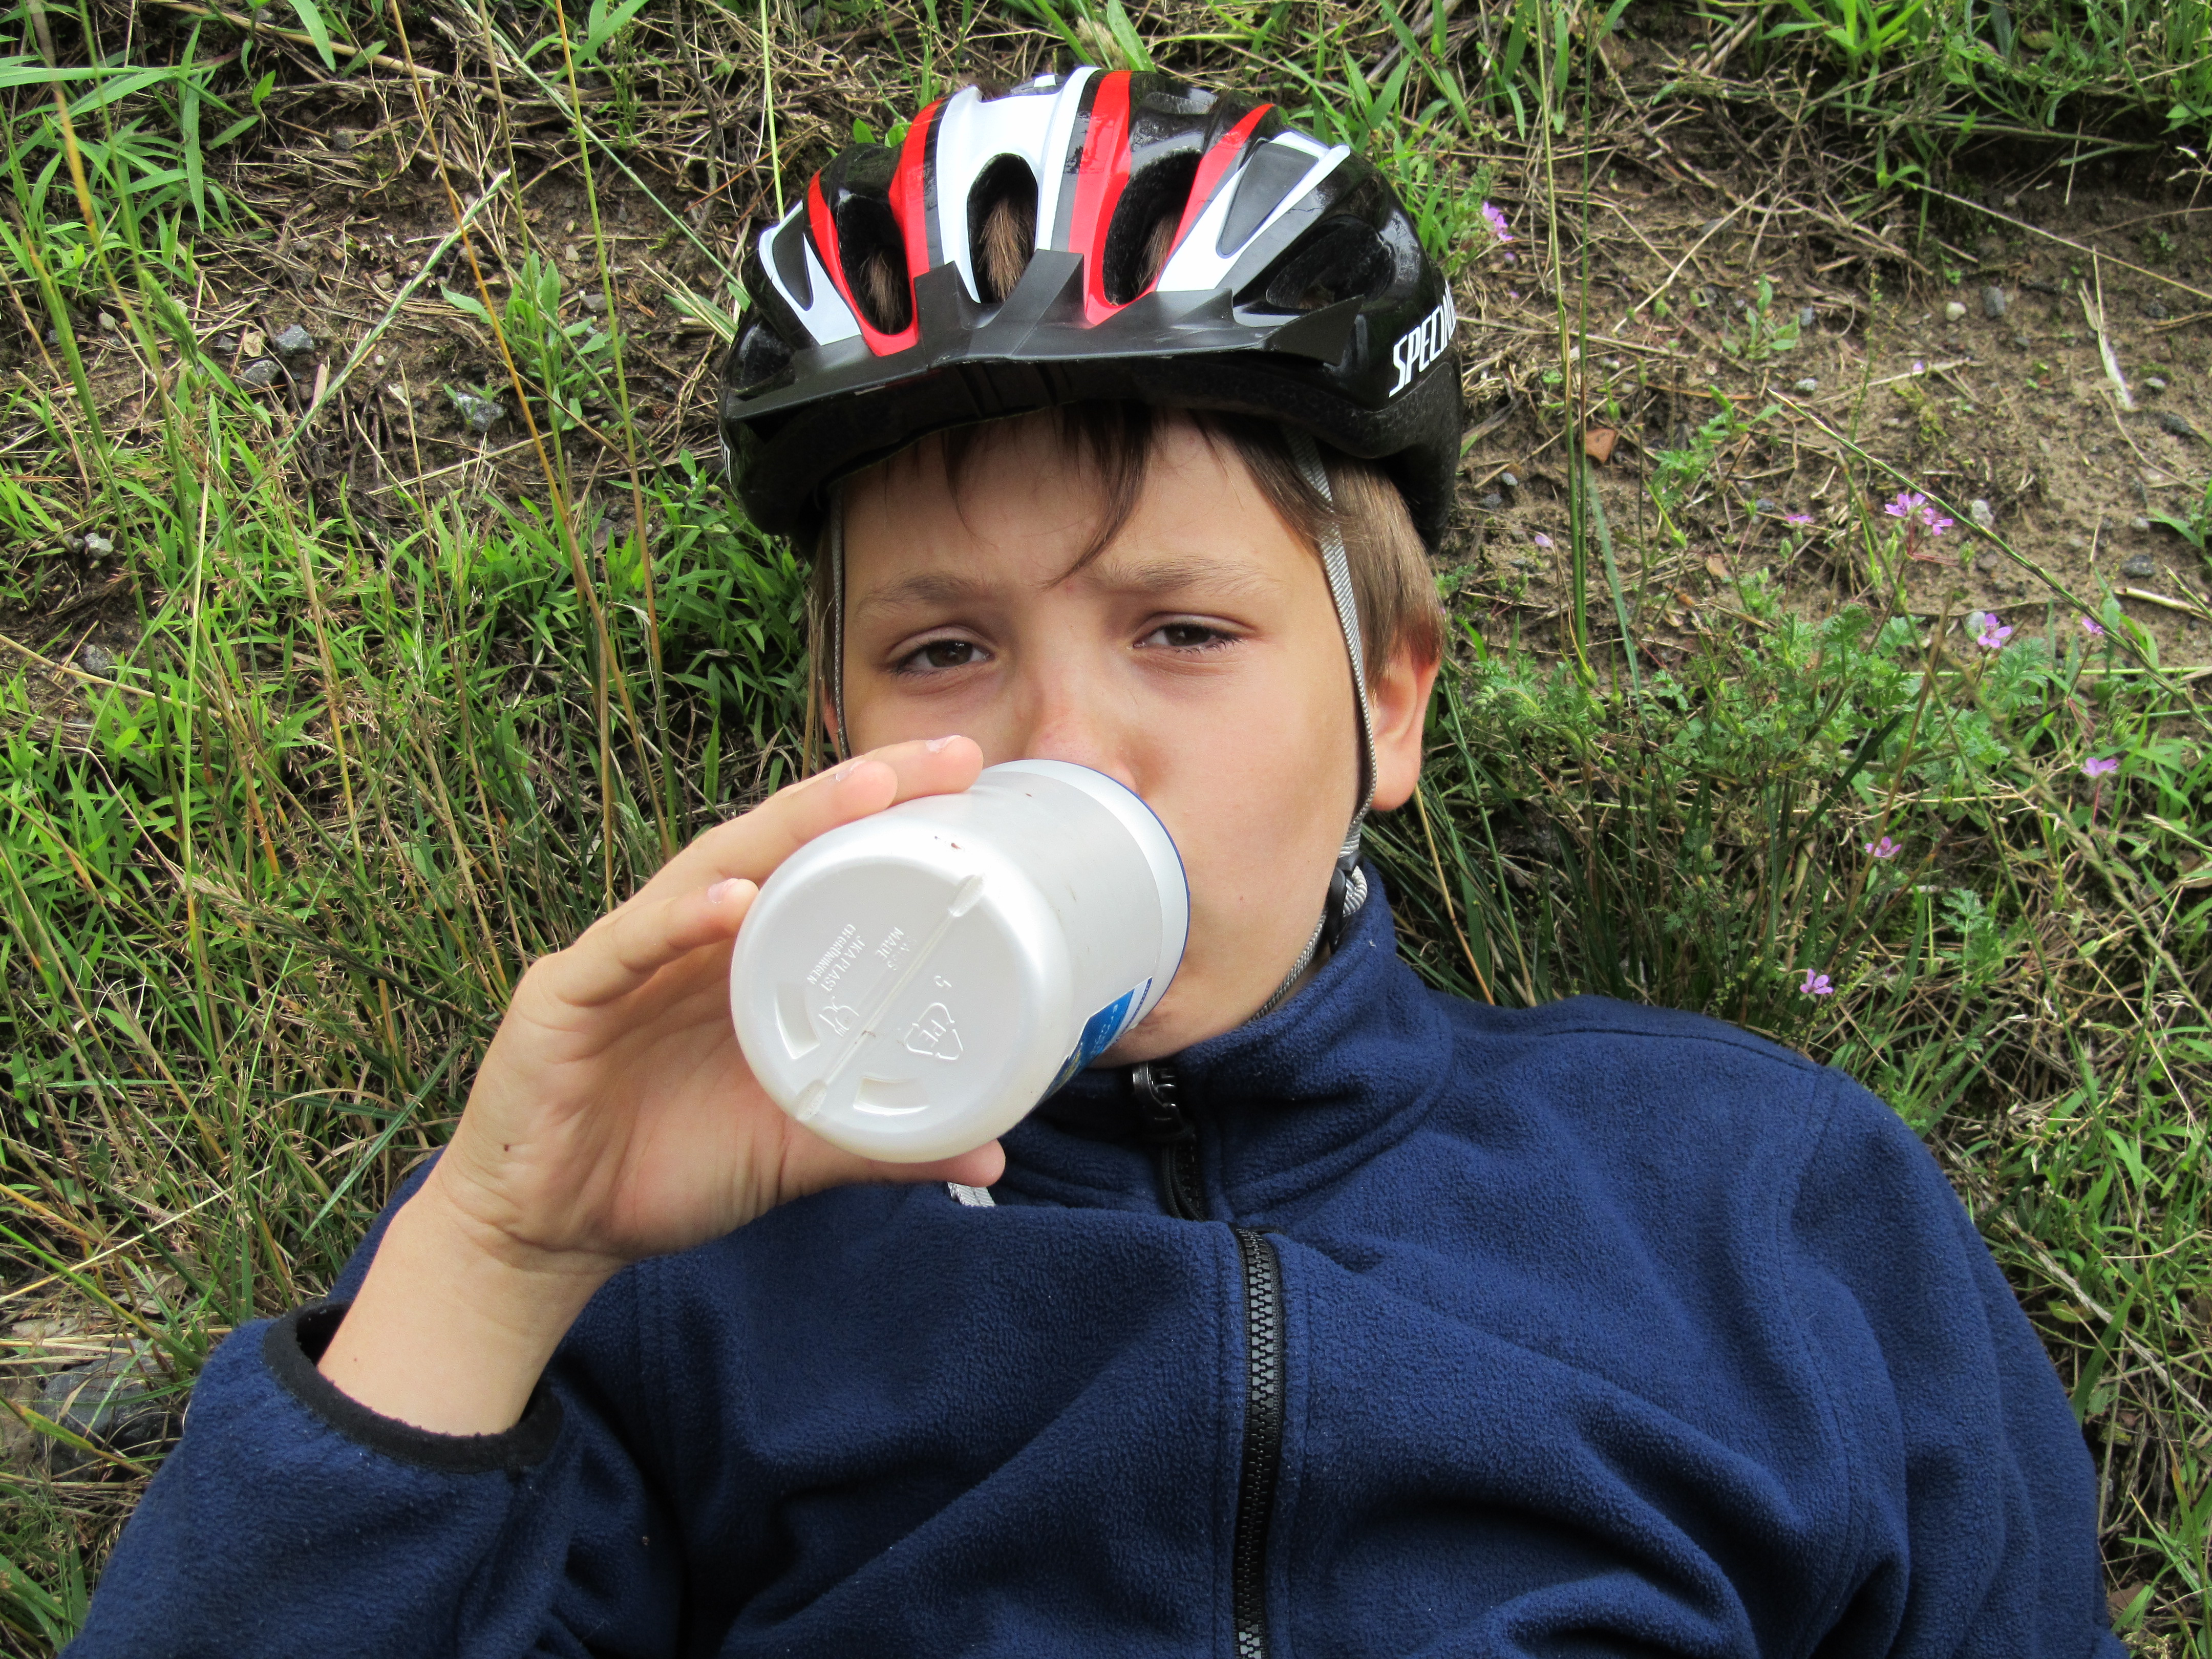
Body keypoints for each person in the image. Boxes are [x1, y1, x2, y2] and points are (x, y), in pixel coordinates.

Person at [70, 70, 2119, 1657]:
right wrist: (497, 1252)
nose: (1057, 741)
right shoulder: (677, 1273)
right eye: (941, 653)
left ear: (1389, 704)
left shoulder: (1759, 1199)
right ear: (843, 741)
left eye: (1186, 631)